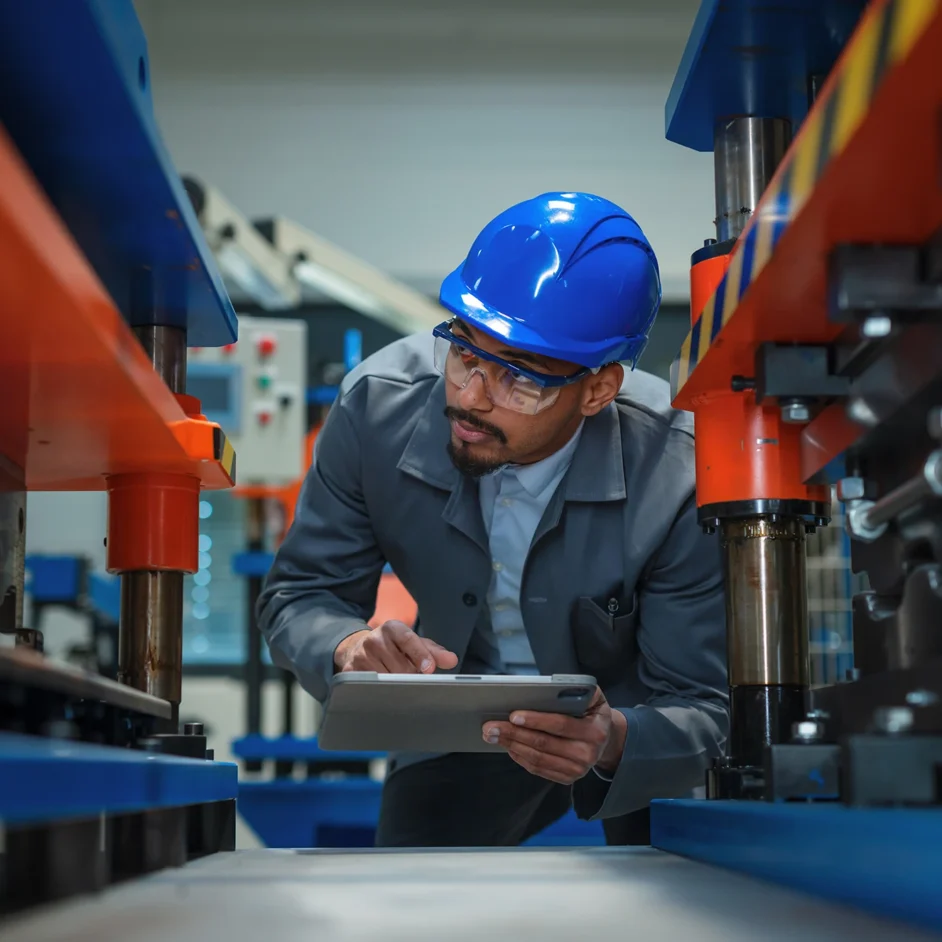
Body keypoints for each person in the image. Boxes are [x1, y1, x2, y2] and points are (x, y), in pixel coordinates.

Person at [257, 192, 728, 847]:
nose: (471, 398)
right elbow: (299, 595)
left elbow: (703, 703)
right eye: (466, 352)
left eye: (521, 380)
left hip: (626, 723)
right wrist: (348, 648)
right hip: (455, 730)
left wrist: (613, 739)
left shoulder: (677, 469)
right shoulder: (375, 415)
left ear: (598, 389)